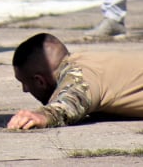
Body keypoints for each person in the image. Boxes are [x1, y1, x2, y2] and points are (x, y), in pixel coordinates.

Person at [7, 32, 143, 129]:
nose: (25, 89)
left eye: (24, 82)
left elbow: (74, 98)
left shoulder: (81, 72)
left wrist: (44, 116)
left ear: (40, 81)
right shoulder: (89, 62)